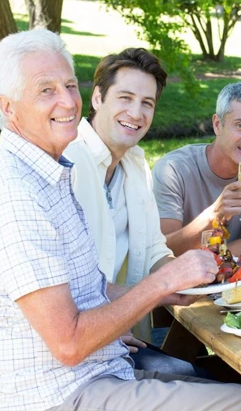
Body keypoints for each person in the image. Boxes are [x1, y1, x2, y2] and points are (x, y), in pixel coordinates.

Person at [0, 29, 241, 410]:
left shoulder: (53, 175)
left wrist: (172, 286)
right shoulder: (15, 194)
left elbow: (91, 287)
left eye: (69, 85)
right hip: (57, 393)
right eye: (46, 90)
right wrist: (165, 281)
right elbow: (69, 343)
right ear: (8, 107)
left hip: (102, 367)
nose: (67, 101)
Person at [63, 48, 202, 376]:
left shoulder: (135, 165)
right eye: (125, 97)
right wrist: (105, 330)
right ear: (98, 98)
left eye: (147, 103)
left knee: (204, 373)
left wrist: (187, 279)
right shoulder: (69, 162)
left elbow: (155, 248)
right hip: (80, 344)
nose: (136, 113)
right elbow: (61, 280)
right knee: (198, 378)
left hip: (126, 334)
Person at [153, 81, 241, 258]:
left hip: (239, 281)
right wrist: (213, 216)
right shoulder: (172, 169)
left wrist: (203, 259)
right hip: (185, 282)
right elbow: (164, 252)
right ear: (217, 125)